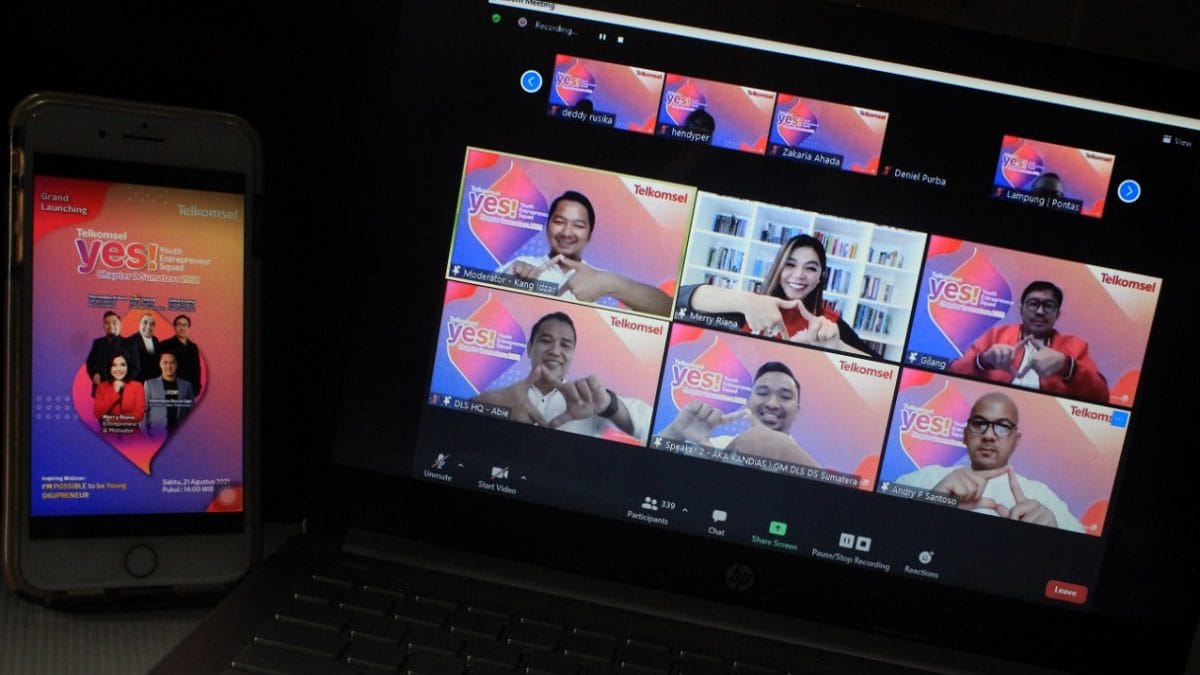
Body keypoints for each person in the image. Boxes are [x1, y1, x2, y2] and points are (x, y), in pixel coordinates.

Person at [895, 392, 1084, 532]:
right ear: (965, 434)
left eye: (1002, 426)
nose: (988, 435)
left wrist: (1052, 537)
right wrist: (930, 503)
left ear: (1016, 440)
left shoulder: (1043, 497)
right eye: (979, 423)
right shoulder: (920, 479)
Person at [678, 234, 876, 356]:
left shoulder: (830, 323)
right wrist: (746, 302)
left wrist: (838, 347)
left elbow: (881, 368)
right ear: (777, 269)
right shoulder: (751, 306)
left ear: (820, 277)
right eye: (790, 265)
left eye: (811, 268)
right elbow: (678, 299)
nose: (799, 275)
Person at [471, 311, 653, 442]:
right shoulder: (503, 397)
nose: (555, 351)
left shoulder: (587, 402)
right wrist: (486, 403)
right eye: (545, 341)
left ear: (573, 354)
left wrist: (608, 405)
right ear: (529, 348)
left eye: (565, 345)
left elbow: (652, 431)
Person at [497, 191, 672, 315]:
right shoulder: (522, 267)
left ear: (589, 234)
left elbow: (668, 309)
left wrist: (610, 283)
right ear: (547, 226)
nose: (567, 232)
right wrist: (508, 285)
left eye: (578, 225)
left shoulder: (599, 280)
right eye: (559, 222)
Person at [947, 281, 1108, 403]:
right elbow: (954, 371)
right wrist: (983, 361)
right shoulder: (995, 335)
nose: (1040, 311)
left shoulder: (1075, 346)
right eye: (1033, 304)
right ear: (1021, 308)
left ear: (1057, 314)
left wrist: (1067, 366)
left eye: (1048, 306)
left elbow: (1101, 396)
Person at [658, 361, 819, 468]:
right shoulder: (714, 445)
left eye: (785, 396)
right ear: (748, 403)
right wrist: (674, 433)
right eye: (763, 393)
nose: (772, 404)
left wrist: (782, 448)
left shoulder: (810, 464)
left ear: (797, 410)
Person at [86, 311, 140, 393]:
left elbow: (136, 367)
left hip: (121, 391)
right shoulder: (97, 343)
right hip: (101, 389)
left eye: (114, 322)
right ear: (103, 326)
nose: (111, 326)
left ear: (120, 325)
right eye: (107, 323)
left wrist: (123, 382)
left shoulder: (129, 343)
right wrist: (94, 374)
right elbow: (90, 363)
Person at [142, 351, 195, 436]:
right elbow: (143, 411)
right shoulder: (149, 384)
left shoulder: (186, 385)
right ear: (160, 364)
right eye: (165, 362)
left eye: (172, 363)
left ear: (177, 365)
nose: (169, 366)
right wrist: (147, 434)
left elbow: (192, 412)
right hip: (157, 435)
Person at [93, 352, 145, 433]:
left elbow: (139, 416)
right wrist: (115, 392)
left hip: (132, 433)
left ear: (128, 367)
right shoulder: (101, 387)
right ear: (110, 368)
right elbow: (98, 413)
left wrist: (110, 419)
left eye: (123, 365)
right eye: (114, 365)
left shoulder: (137, 386)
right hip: (108, 433)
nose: (118, 369)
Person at [160, 314, 202, 396]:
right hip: (171, 389)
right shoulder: (165, 344)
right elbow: (159, 368)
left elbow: (197, 369)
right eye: (179, 325)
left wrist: (196, 388)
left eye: (184, 325)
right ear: (174, 327)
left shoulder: (193, 347)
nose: (182, 328)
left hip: (190, 390)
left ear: (189, 328)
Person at [130, 313, 162, 382]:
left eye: (152, 324)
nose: (148, 327)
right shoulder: (131, 341)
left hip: (154, 381)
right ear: (139, 324)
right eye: (145, 322)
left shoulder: (156, 340)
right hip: (137, 382)